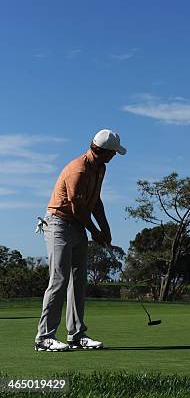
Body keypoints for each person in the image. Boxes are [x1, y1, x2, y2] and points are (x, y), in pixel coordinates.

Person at [35, 130, 126, 352]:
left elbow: (95, 202)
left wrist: (106, 229)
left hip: (76, 225)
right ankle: (44, 337)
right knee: (59, 279)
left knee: (78, 280)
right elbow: (77, 208)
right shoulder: (78, 170)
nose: (114, 157)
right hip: (58, 223)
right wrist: (95, 232)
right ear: (103, 151)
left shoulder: (100, 168)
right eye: (113, 153)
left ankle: (76, 335)